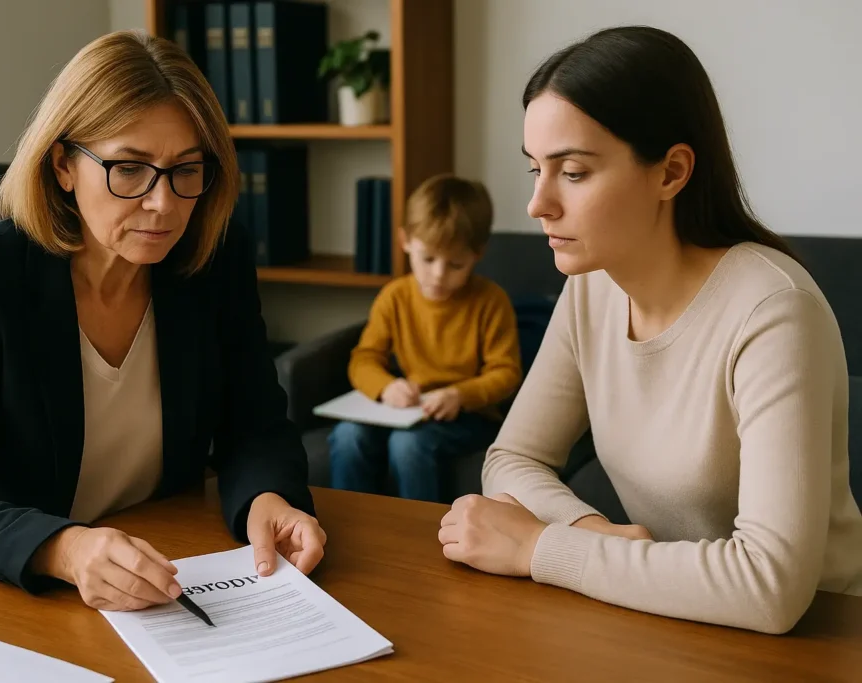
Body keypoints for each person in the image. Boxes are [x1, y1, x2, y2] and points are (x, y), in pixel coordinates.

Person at [0, 30, 326, 611]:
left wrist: (268, 497)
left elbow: (256, 425)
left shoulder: (212, 261)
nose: (163, 204)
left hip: (153, 571)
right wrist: (64, 549)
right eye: (130, 169)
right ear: (64, 165)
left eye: (186, 170)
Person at [438, 25, 862, 634]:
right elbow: (514, 457)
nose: (537, 204)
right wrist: (591, 533)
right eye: (535, 169)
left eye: (574, 172)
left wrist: (540, 549)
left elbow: (771, 586)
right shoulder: (593, 285)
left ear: (671, 172)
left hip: (818, 637)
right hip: (672, 615)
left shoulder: (774, 309)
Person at [328, 175, 522, 503]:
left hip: (468, 415)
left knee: (409, 446)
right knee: (347, 437)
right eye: (428, 259)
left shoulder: (491, 301)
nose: (438, 275)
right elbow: (364, 358)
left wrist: (460, 395)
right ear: (405, 241)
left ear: (478, 254)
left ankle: (423, 539)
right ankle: (351, 532)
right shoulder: (395, 296)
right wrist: (386, 386)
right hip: (410, 409)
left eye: (455, 264)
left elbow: (506, 373)